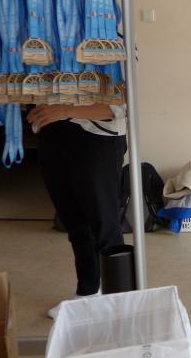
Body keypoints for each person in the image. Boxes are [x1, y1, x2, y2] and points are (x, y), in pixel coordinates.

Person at [27, 102, 128, 318]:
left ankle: (119, 302)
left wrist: (64, 111)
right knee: (75, 223)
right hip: (53, 134)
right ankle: (87, 292)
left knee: (104, 223)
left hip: (97, 138)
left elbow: (118, 107)